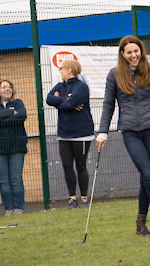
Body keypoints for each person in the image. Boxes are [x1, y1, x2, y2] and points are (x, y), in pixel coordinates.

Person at [96, 35, 150, 236]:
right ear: (123, 55)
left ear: (141, 51)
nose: (134, 55)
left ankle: (140, 225)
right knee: (149, 176)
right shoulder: (114, 75)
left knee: (145, 179)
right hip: (130, 132)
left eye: (136, 51)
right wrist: (103, 132)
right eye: (129, 52)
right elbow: (108, 105)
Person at [46, 60, 95, 209]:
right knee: (67, 165)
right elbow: (49, 99)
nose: (60, 71)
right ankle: (72, 199)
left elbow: (67, 105)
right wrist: (67, 101)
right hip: (64, 134)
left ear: (70, 70)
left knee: (81, 166)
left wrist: (65, 102)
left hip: (81, 134)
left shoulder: (81, 86)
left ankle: (84, 198)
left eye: (62, 69)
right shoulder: (60, 86)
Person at [0, 79, 28, 216]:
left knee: (16, 178)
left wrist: (0, 121)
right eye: (4, 87)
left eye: (9, 86)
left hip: (17, 146)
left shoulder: (18, 103)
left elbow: (22, 115)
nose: (7, 89)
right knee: (4, 181)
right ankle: (8, 210)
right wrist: (11, 113)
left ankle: (19, 209)